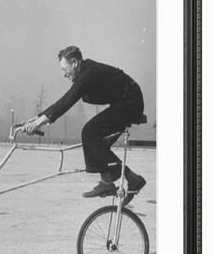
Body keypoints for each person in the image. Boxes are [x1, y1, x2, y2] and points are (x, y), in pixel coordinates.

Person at [23, 46, 146, 200]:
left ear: (74, 62)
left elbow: (67, 100)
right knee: (98, 143)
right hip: (125, 101)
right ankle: (133, 179)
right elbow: (65, 101)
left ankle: (108, 182)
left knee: (89, 132)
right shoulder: (86, 71)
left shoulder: (87, 74)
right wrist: (36, 119)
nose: (64, 74)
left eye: (64, 69)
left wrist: (39, 123)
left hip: (130, 102)